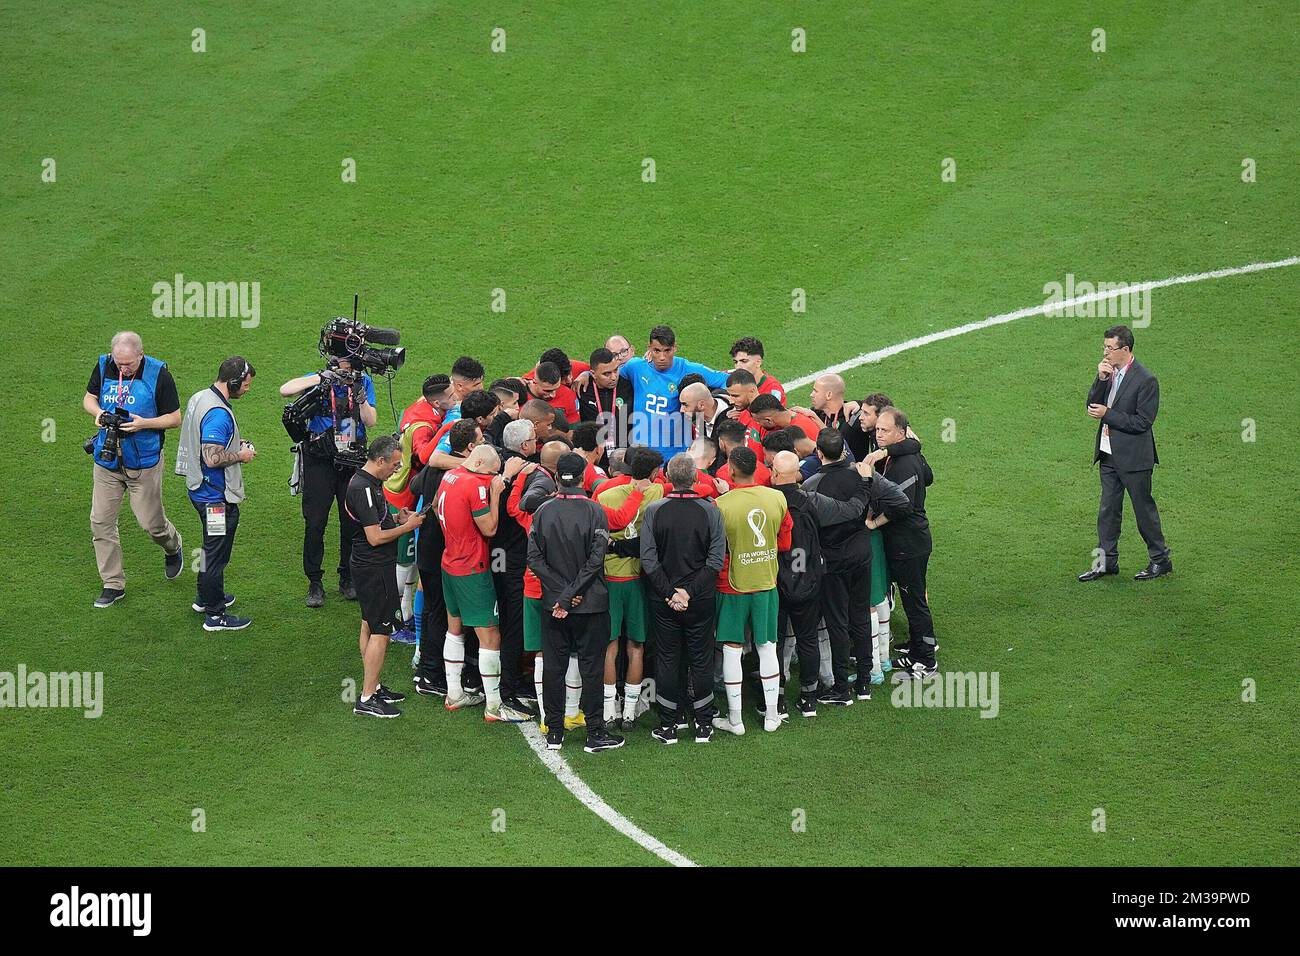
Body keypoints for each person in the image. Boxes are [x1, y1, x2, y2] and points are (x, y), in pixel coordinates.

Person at [528, 452, 624, 753]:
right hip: (590, 604)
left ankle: (554, 732)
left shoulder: (542, 511)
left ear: (557, 477)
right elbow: (597, 560)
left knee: (553, 667)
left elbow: (534, 558)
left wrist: (561, 595)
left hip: (553, 605)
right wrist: (571, 595)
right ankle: (595, 734)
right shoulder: (595, 511)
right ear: (584, 476)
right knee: (592, 668)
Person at [85, 331, 184, 609]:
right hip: (107, 461)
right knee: (100, 521)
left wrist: (143, 423)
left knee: (152, 525)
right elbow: (89, 398)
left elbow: (175, 418)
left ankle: (172, 545)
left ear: (140, 355)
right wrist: (98, 414)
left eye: (128, 363)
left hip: (143, 464)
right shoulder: (105, 365)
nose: (122, 368)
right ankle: (113, 583)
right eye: (118, 362)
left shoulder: (159, 374)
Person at [434, 444, 531, 722]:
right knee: (490, 635)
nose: (491, 479)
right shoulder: (475, 487)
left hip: (449, 562)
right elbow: (489, 528)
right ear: (477, 463)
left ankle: (455, 693)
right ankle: (495, 705)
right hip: (472, 568)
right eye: (489, 473)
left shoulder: (449, 477)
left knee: (455, 627)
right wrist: (497, 494)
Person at [638, 453, 727, 744]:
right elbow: (715, 561)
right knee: (701, 657)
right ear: (696, 478)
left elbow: (649, 562)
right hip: (699, 599)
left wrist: (671, 594)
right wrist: (687, 593)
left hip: (664, 600)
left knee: (667, 657)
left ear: (666, 478)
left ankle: (669, 724)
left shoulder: (654, 510)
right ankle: (703, 723)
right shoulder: (711, 510)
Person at [279, 359, 378, 608]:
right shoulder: (319, 378)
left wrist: (362, 399)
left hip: (352, 457)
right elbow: (286, 389)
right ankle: (315, 582)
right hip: (320, 460)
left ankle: (347, 577)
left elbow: (371, 421)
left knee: (351, 522)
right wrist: (322, 378)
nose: (348, 370)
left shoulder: (363, 381)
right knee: (315, 523)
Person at [1080, 324, 1172, 581]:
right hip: (1108, 454)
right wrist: (1100, 379)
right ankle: (1106, 563)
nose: (1105, 352)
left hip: (1134, 459)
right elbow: (1091, 404)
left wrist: (1108, 415)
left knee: (1143, 510)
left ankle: (1161, 560)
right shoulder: (1107, 372)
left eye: (1110, 348)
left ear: (1126, 349)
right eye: (1104, 347)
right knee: (1108, 510)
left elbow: (1143, 422)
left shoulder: (1146, 380)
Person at [711, 447, 793, 735]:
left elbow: (716, 550)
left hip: (733, 585)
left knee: (732, 650)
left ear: (731, 471)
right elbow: (784, 543)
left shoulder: (721, 505)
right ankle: (772, 716)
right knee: (767, 647)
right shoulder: (777, 497)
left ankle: (735, 721)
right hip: (766, 583)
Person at [345, 436, 425, 718]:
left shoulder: (368, 483)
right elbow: (375, 537)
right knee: (381, 630)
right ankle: (367, 698)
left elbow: (376, 521)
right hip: (374, 566)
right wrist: (409, 527)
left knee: (369, 623)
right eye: (394, 464)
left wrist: (396, 517)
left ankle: (374, 686)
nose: (397, 468)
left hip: (369, 566)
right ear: (379, 461)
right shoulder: (363, 488)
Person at [175, 357, 256, 631]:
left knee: (211, 550)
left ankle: (204, 598)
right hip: (215, 500)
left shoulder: (200, 397)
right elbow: (212, 458)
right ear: (232, 382)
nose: (247, 390)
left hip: (200, 490)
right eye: (245, 385)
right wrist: (241, 455)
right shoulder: (218, 414)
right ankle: (215, 614)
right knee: (216, 555)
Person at [408, 418, 482, 699]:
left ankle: (426, 670)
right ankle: (430, 674)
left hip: (426, 547)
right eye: (481, 440)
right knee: (441, 613)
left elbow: (415, 486)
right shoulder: (460, 475)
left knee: (432, 610)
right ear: (470, 447)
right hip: (442, 550)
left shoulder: (439, 465)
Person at [803, 429, 877, 703]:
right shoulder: (861, 476)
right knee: (860, 616)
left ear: (819, 453)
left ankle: (841, 687)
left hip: (832, 561)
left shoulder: (811, 486)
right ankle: (865, 682)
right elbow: (894, 501)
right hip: (861, 554)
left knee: (837, 622)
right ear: (844, 451)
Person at [596, 447, 663, 729]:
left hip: (609, 578)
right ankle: (630, 713)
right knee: (636, 645)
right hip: (639, 580)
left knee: (609, 647)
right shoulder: (659, 493)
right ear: (653, 472)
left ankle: (609, 711)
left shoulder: (604, 494)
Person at [872, 407, 938, 680]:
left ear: (901, 432)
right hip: (912, 539)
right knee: (913, 597)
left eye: (885, 430)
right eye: (878, 429)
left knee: (914, 600)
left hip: (908, 543)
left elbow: (901, 507)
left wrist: (873, 523)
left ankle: (927, 661)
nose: (879, 435)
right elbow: (930, 477)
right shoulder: (910, 455)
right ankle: (917, 647)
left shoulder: (903, 463)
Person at [617, 325, 731, 458]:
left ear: (675, 348)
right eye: (657, 351)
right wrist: (588, 375)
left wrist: (714, 400)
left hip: (674, 455)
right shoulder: (635, 367)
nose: (662, 357)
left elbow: (726, 380)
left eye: (667, 351)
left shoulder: (687, 368)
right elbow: (611, 376)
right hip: (639, 453)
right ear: (649, 348)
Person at [576, 347, 633, 464]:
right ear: (593, 374)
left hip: (624, 457)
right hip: (594, 457)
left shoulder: (628, 385)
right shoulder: (583, 389)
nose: (613, 377)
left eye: (615, 370)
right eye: (606, 374)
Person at [729, 337, 785, 404]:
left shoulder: (773, 390)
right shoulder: (731, 375)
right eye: (736, 362)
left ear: (758, 362)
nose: (738, 366)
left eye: (744, 361)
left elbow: (768, 413)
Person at [747, 394, 821, 441]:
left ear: (769, 420)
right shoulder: (793, 416)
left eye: (758, 421)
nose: (758, 424)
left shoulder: (797, 434)